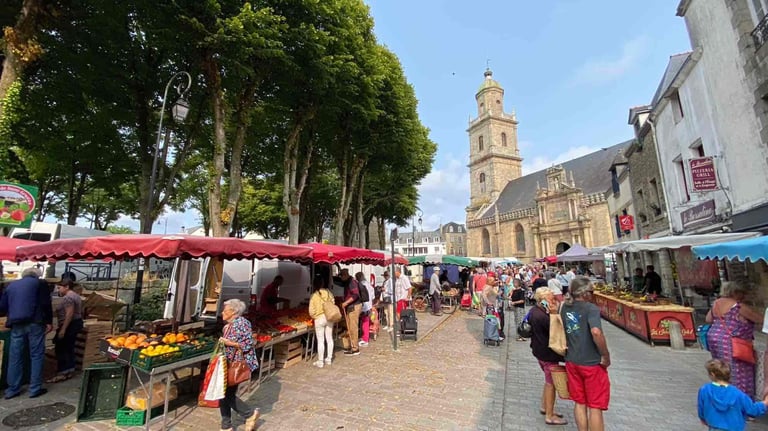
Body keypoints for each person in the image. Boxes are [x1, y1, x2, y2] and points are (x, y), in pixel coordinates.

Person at [561, 276, 611, 431]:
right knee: (595, 406)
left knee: (580, 402)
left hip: (572, 361)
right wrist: (605, 355)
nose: (593, 294)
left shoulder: (564, 307)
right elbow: (596, 332)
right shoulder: (590, 309)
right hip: (591, 362)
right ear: (584, 293)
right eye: (591, 291)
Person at [0, 267, 53, 399]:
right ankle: (34, 388)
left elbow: (2, 308)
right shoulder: (40, 284)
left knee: (15, 356)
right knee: (36, 355)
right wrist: (49, 321)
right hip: (35, 322)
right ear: (36, 276)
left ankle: (12, 389)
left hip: (16, 324)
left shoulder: (11, 286)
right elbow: (46, 303)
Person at [706, 282, 763, 398]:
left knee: (721, 368)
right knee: (739, 371)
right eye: (742, 293)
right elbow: (759, 319)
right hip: (733, 343)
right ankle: (740, 401)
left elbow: (708, 319)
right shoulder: (738, 306)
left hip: (715, 339)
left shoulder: (717, 303)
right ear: (735, 292)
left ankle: (722, 395)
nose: (744, 296)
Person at [218, 299, 260, 431]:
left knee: (226, 393)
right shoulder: (229, 324)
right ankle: (226, 426)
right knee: (223, 392)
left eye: (225, 310)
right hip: (228, 363)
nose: (222, 312)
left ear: (233, 312)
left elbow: (249, 344)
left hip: (237, 364)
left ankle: (249, 414)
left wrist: (229, 343)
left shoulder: (242, 323)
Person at [529, 287, 567, 426]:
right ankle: (550, 415)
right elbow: (556, 331)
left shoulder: (535, 310)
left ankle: (545, 406)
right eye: (551, 298)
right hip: (548, 353)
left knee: (548, 381)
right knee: (552, 384)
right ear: (544, 300)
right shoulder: (543, 316)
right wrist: (555, 314)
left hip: (539, 351)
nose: (554, 301)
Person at [698, 359, 768, 431]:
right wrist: (765, 403)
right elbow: (752, 410)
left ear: (712, 375)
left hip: (714, 426)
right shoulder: (738, 394)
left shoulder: (704, 390)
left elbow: (701, 408)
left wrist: (703, 418)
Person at [47, 274, 83, 383]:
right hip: (76, 323)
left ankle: (63, 372)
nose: (58, 290)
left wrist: (63, 329)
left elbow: (69, 314)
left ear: (67, 287)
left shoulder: (68, 298)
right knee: (69, 347)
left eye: (60, 287)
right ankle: (69, 370)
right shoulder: (76, 296)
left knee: (62, 347)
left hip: (70, 324)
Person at [308, 277, 335, 368]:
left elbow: (311, 311)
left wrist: (315, 317)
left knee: (320, 340)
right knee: (329, 338)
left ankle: (320, 361)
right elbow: (333, 303)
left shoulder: (314, 296)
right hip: (329, 317)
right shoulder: (328, 293)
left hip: (319, 318)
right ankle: (329, 359)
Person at [339, 269, 362, 355]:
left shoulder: (352, 282)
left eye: (341, 276)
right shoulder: (347, 282)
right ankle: (351, 345)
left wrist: (346, 303)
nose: (341, 278)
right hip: (350, 306)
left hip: (354, 306)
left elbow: (355, 295)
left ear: (345, 275)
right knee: (349, 326)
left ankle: (355, 348)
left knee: (353, 327)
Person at [356, 272, 374, 347]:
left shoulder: (361, 285)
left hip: (364, 306)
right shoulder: (368, 284)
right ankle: (365, 337)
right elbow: (372, 295)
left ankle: (365, 339)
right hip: (369, 305)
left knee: (365, 323)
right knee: (366, 322)